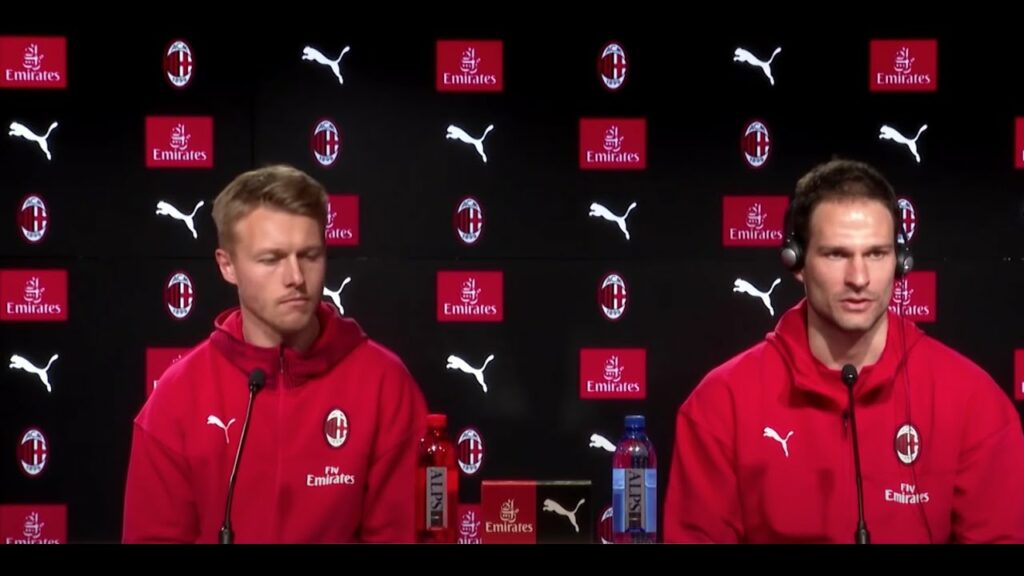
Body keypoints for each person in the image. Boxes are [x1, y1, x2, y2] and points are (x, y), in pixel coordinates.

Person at [663, 158, 1024, 543]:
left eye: (876, 254)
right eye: (837, 254)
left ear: (901, 263)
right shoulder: (721, 404)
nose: (859, 278)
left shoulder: (971, 399)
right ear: (796, 262)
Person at [122, 164, 428, 543]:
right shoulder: (178, 398)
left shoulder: (384, 385)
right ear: (227, 265)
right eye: (272, 259)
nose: (295, 277)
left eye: (310, 255)